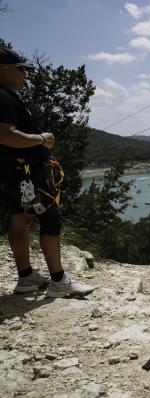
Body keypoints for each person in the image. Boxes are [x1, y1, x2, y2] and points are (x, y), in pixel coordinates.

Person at [0, 46, 94, 298]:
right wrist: (41, 139)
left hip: (15, 174)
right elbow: (6, 135)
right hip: (26, 176)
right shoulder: (3, 97)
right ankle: (59, 281)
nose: (24, 75)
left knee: (20, 218)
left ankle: (26, 277)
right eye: (21, 70)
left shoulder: (7, 96)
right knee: (50, 216)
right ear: (3, 69)